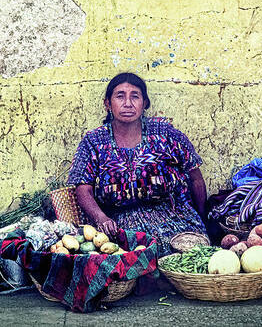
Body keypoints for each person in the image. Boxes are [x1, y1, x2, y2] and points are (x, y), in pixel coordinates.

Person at [67, 72, 208, 256]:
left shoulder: (165, 133)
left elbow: (195, 176)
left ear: (145, 103)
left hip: (172, 215)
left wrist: (203, 218)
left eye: (135, 96)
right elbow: (83, 188)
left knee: (194, 253)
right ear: (108, 103)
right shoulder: (94, 141)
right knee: (131, 257)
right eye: (120, 96)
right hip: (118, 221)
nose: (127, 103)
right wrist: (101, 218)